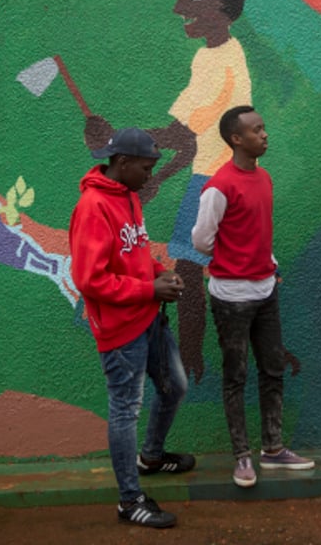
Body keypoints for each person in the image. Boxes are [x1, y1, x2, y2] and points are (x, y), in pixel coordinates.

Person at [85, 0, 251, 383]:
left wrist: (115, 142)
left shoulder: (221, 62)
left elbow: (181, 134)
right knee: (196, 269)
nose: (180, 6)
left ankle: (193, 358)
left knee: (191, 273)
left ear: (224, 5)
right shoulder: (213, 56)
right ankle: (196, 358)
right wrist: (159, 175)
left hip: (211, 181)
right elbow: (197, 139)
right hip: (207, 173)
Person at [69, 127, 194, 529]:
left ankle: (152, 456)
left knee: (175, 386)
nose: (150, 175)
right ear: (122, 163)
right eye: (146, 167)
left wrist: (161, 274)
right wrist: (147, 288)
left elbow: (134, 251)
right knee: (125, 410)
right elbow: (89, 279)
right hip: (121, 330)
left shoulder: (129, 197)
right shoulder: (93, 207)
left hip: (149, 317)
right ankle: (129, 500)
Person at [191, 105, 314, 488]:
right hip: (231, 297)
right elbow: (201, 240)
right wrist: (233, 261)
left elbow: (258, 231)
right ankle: (243, 458)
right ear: (236, 139)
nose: (264, 134)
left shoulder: (265, 179)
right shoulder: (218, 187)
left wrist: (268, 264)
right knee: (235, 376)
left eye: (264, 128)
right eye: (256, 130)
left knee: (273, 369)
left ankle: (273, 450)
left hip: (265, 291)